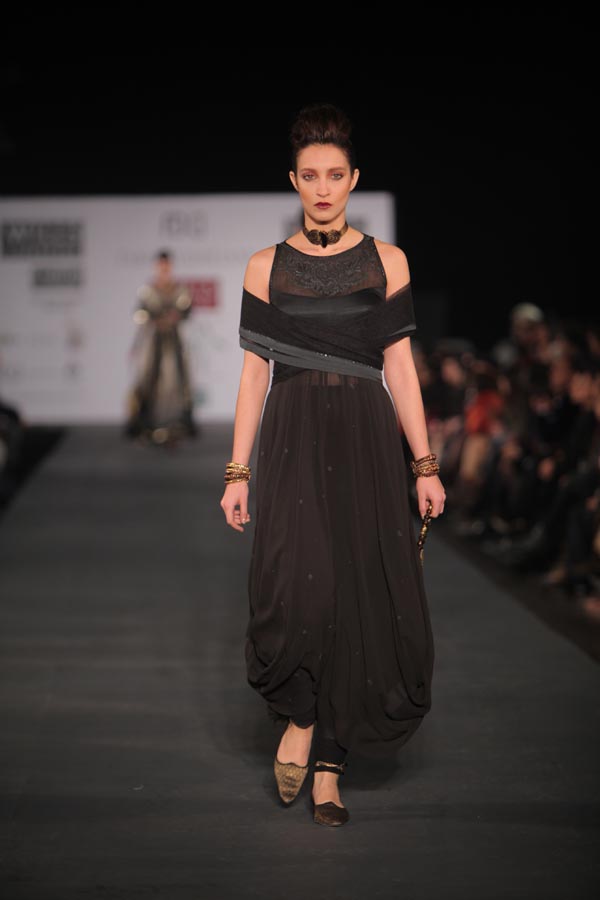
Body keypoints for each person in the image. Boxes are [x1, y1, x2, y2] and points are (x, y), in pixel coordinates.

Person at [220, 103, 445, 827]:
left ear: (353, 179)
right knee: (295, 590)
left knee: (358, 595)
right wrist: (237, 471)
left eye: (335, 175)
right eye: (310, 175)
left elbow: (400, 369)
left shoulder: (387, 261)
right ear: (294, 180)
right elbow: (254, 375)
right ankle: (300, 714)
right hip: (291, 437)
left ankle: (328, 767)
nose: (323, 187)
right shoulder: (265, 266)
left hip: (366, 438)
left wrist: (424, 464)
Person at [124, 249, 197, 446]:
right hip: (153, 342)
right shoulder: (149, 290)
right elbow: (139, 314)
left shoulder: (179, 289)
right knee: (149, 377)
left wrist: (175, 317)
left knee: (175, 378)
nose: (164, 269)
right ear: (156, 267)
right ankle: (147, 422)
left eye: (167, 266)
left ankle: (176, 422)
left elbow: (187, 310)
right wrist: (155, 319)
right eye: (161, 266)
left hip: (173, 341)